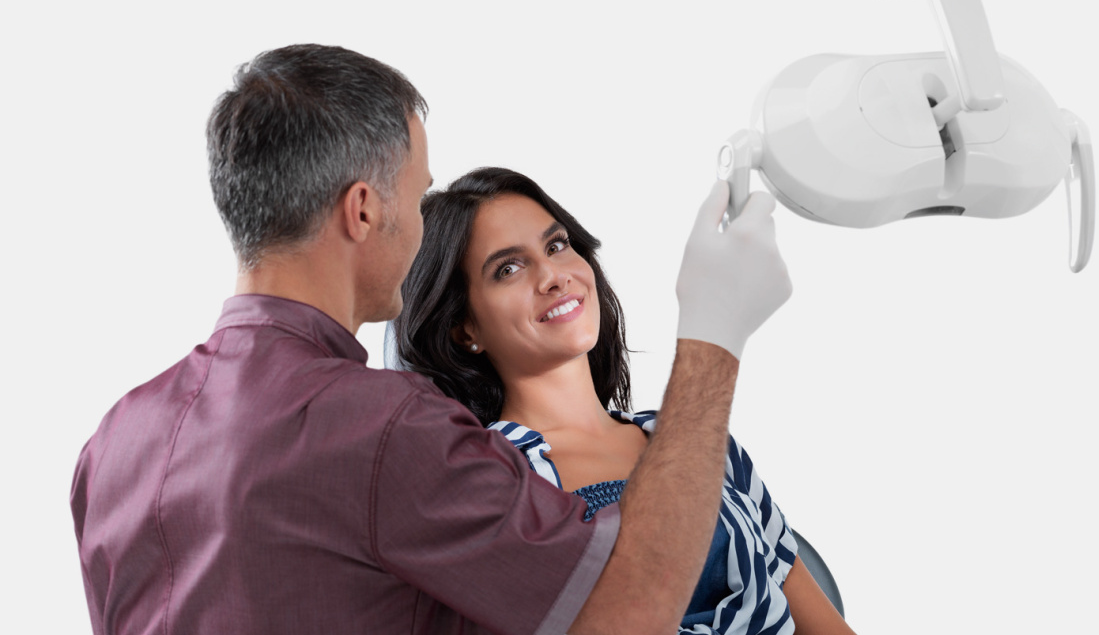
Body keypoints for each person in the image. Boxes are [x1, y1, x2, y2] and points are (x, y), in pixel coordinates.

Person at [69, 44, 794, 635]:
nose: (421, 227)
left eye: (556, 245)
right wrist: (713, 332)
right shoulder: (385, 427)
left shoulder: (112, 446)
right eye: (418, 198)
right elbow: (627, 615)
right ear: (362, 209)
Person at [392, 167, 853, 635]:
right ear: (464, 328)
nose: (552, 276)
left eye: (556, 245)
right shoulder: (487, 480)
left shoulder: (703, 440)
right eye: (507, 269)